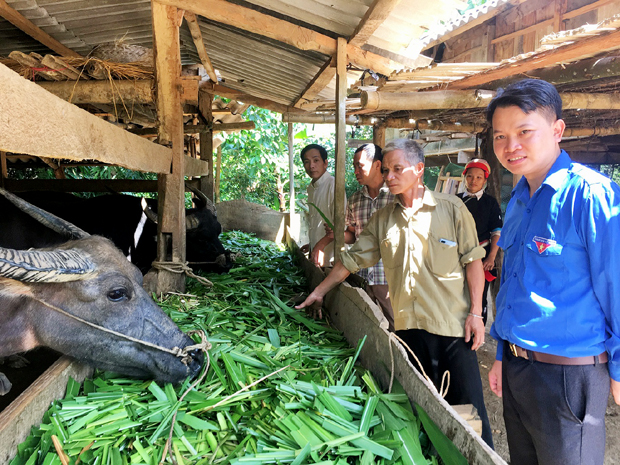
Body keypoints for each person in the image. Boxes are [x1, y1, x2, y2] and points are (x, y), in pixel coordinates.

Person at [296, 138, 494, 447]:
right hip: (408, 333)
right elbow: (349, 261)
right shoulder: (382, 220)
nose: (389, 176)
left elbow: (473, 263)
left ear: (419, 170)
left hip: (453, 331)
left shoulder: (451, 208)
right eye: (386, 170)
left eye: (397, 169)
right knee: (423, 409)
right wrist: (319, 291)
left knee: (468, 413)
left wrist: (476, 315)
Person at [486, 79, 620, 465]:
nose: (511, 146)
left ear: (557, 130)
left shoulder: (591, 195)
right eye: (500, 136)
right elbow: (513, 285)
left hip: (568, 375)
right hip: (517, 368)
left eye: (524, 132)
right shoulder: (519, 200)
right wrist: (500, 353)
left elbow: (616, 284)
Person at [344, 143, 396, 330]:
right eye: (354, 166)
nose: (356, 170)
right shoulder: (355, 200)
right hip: (363, 276)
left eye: (360, 165)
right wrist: (337, 235)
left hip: (389, 279)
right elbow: (352, 235)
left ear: (377, 165)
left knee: (397, 329)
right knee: (369, 327)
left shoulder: (395, 197)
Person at [456, 159, 503, 324]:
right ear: (464, 177)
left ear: (485, 180)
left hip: (481, 257)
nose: (473, 181)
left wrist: (491, 257)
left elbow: (496, 232)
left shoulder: (490, 203)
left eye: (478, 177)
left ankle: (477, 333)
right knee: (456, 295)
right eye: (470, 176)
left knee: (479, 297)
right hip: (456, 256)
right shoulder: (455, 201)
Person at [299, 144, 336, 266]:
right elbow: (316, 223)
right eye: (307, 162)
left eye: (316, 160)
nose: (311, 166)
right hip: (317, 256)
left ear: (325, 163)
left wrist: (320, 246)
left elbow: (341, 225)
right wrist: (312, 245)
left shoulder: (333, 185)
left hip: (331, 258)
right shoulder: (311, 188)